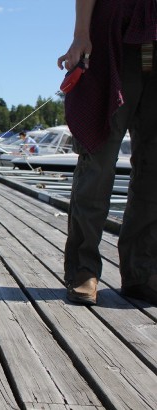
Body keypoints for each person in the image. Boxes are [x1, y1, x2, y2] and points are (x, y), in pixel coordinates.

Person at [57, 0, 157, 306]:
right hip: (112, 41)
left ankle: (142, 273)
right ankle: (84, 268)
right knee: (97, 161)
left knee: (153, 170)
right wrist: (80, 34)